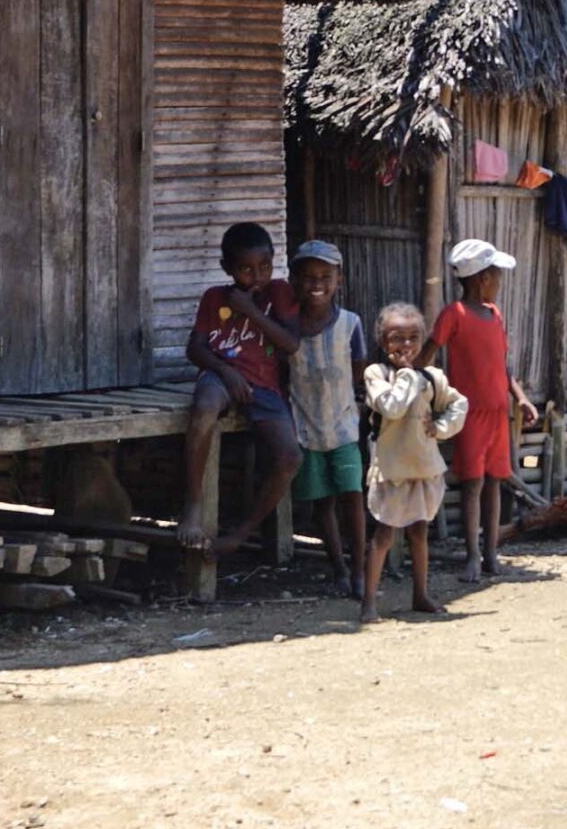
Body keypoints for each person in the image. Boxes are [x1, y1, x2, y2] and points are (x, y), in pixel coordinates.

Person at [179, 223, 303, 558]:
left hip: (264, 386)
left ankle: (239, 535)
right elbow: (196, 349)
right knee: (204, 405)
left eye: (264, 267)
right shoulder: (215, 298)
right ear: (227, 269)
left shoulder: (278, 293)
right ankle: (193, 504)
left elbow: (291, 343)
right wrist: (225, 371)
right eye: (246, 270)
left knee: (291, 457)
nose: (257, 276)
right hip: (222, 378)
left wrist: (249, 310)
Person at [423, 238, 539, 582]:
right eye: (497, 276)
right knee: (472, 484)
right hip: (469, 415)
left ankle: (491, 554)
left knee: (495, 483)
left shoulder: (494, 315)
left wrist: (520, 397)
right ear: (481, 279)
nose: (500, 283)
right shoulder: (453, 315)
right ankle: (473, 556)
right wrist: (407, 380)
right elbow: (430, 349)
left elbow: (502, 367)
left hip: (498, 414)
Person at [361, 303, 466, 620]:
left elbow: (459, 404)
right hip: (392, 471)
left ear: (422, 341)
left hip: (422, 468)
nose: (405, 345)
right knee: (383, 536)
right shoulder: (377, 375)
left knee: (420, 533)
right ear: (383, 342)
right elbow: (392, 408)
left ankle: (420, 594)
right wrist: (407, 374)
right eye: (397, 338)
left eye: (413, 338)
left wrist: (442, 428)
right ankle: (368, 602)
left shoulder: (432, 378)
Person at [285, 241, 369, 595]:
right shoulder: (286, 329)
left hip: (345, 428)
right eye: (308, 277)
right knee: (323, 505)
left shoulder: (351, 324)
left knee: (353, 497)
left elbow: (359, 374)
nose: (316, 284)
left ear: (339, 280)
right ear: (294, 281)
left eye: (325, 277)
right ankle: (339, 569)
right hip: (306, 430)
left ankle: (361, 571)